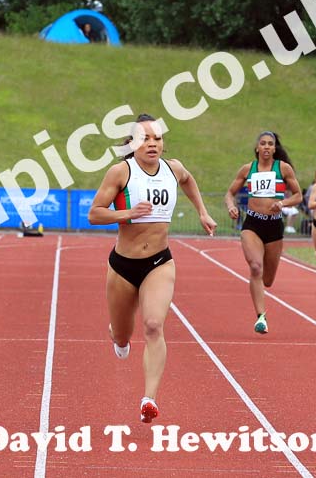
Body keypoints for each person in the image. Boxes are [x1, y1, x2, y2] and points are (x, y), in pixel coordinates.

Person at [88, 114, 216, 424]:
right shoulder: (121, 172)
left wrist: (202, 211)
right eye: (145, 138)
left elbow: (188, 181)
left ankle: (149, 399)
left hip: (159, 262)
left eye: (156, 138)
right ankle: (119, 338)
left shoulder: (174, 169)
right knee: (122, 335)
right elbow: (94, 214)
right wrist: (128, 212)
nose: (152, 144)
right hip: (123, 266)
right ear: (132, 143)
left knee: (154, 325)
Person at [225, 131, 301, 335]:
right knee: (255, 267)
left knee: (267, 279)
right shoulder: (247, 169)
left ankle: (261, 306)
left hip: (274, 226)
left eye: (270, 144)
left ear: (275, 148)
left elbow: (298, 195)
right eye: (263, 143)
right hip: (252, 225)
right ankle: (261, 317)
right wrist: (231, 206)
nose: (267, 147)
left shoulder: (283, 168)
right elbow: (230, 192)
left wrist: (282, 203)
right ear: (257, 148)